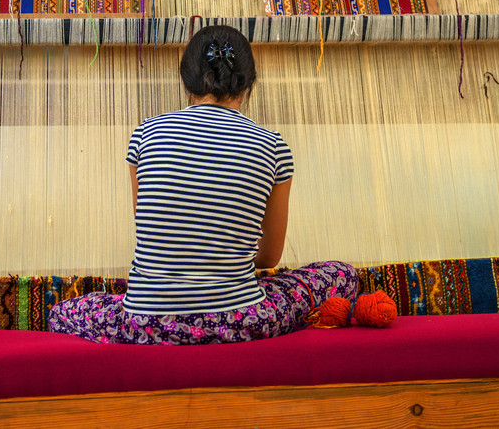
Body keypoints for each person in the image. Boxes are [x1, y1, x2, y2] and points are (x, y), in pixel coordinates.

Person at [49, 25, 358, 344]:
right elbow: (268, 259)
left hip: (146, 323)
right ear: (248, 82)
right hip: (238, 323)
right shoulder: (273, 145)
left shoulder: (147, 134)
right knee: (341, 274)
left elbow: (153, 235)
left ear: (186, 79)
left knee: (61, 312)